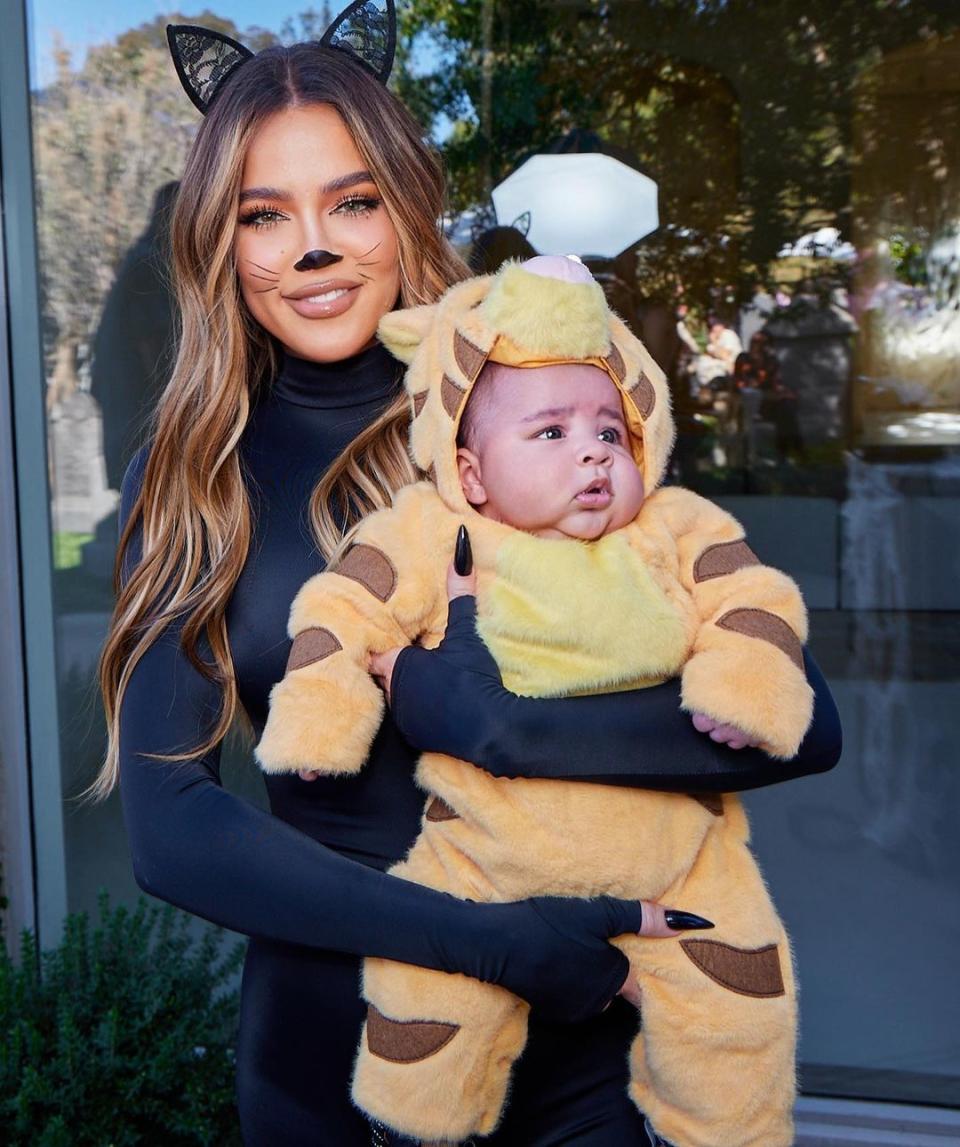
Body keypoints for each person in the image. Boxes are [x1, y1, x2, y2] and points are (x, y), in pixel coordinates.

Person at [96, 11, 841, 1146]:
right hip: (328, 1063)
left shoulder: (531, 413)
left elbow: (804, 722)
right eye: (264, 214)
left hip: (578, 1055)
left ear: (406, 205)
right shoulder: (195, 475)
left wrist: (489, 723)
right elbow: (174, 832)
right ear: (222, 241)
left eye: (351, 201)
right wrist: (498, 942)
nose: (311, 247)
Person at [260, 255, 809, 1146]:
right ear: (470, 473)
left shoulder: (673, 528)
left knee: (740, 1003)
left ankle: (731, 1130)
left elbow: (758, 599)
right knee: (423, 996)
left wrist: (742, 685)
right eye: (549, 433)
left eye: (609, 429)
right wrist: (323, 715)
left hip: (679, 857)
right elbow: (342, 609)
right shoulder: (437, 531)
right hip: (487, 848)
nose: (593, 450)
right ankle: (417, 1119)